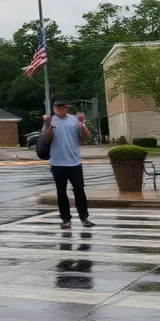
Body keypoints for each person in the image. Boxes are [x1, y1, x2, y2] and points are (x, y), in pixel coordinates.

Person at [41, 99, 94, 230]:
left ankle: (84, 218)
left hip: (74, 162)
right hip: (57, 163)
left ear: (67, 107)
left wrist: (82, 124)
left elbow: (86, 138)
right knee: (61, 192)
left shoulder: (74, 120)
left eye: (63, 107)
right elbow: (45, 139)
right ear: (54, 109)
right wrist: (47, 125)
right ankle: (66, 220)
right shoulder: (51, 121)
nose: (60, 109)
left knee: (79, 190)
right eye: (57, 107)